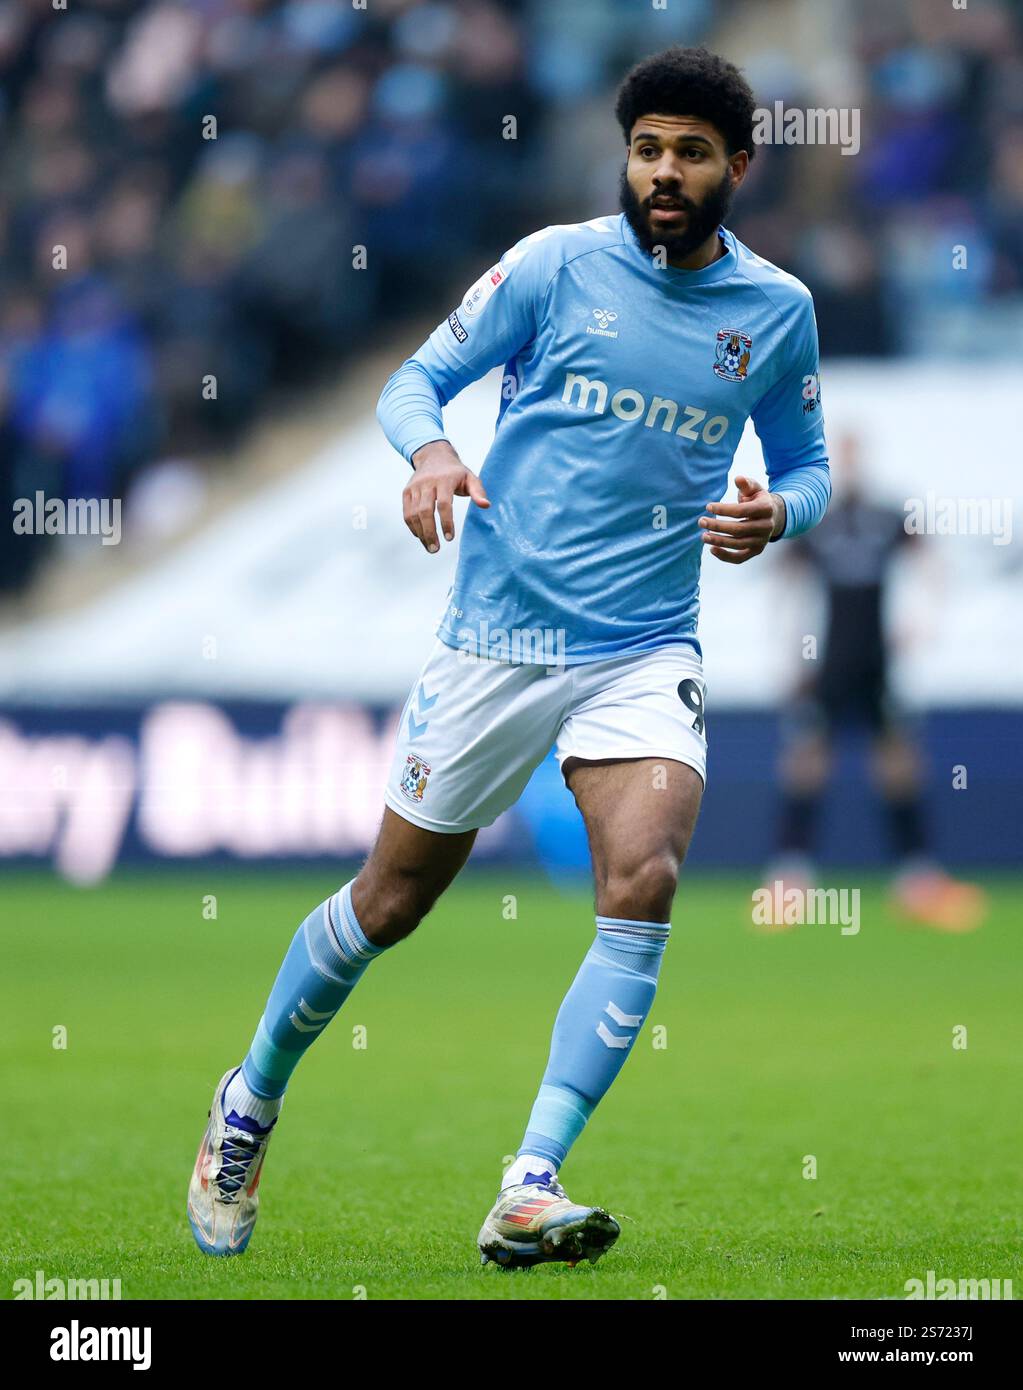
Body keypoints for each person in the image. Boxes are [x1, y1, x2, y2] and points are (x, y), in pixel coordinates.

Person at [187, 45, 831, 1268]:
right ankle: (249, 1101)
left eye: (693, 152)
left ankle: (528, 1181)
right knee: (391, 901)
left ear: (737, 166)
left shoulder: (778, 313)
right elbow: (415, 380)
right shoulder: (551, 265)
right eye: (648, 148)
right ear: (626, 156)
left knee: (642, 878)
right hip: (500, 640)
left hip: (645, 643)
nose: (665, 172)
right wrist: (431, 453)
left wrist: (777, 515)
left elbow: (809, 467)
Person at [763, 430, 986, 932]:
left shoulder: (888, 517)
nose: (849, 460)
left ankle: (918, 878)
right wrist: (788, 650)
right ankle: (789, 880)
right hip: (828, 660)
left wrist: (926, 619)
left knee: (899, 761)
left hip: (877, 662)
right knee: (806, 762)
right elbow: (787, 582)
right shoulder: (817, 521)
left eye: (855, 452)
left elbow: (932, 563)